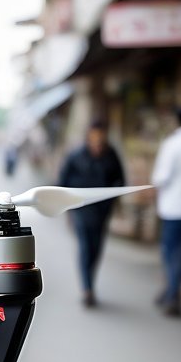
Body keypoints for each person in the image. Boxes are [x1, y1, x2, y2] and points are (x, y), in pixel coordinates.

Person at [57, 120, 125, 307]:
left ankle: (90, 283)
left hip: (102, 211)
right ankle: (87, 289)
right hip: (81, 209)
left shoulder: (111, 155)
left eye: (100, 140)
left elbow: (120, 180)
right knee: (86, 247)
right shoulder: (76, 155)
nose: (97, 144)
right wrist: (66, 207)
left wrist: (113, 201)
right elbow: (62, 182)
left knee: (96, 249)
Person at [152, 107, 181, 317]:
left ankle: (172, 294)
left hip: (172, 209)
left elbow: (161, 177)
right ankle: (172, 291)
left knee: (170, 253)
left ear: (178, 121)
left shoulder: (172, 144)